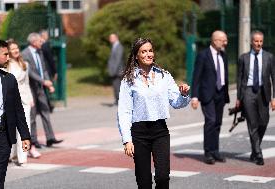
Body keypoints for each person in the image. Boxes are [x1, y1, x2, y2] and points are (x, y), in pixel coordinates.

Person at [118, 38, 190, 189]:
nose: (148, 54)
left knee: (163, 178)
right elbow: (124, 111)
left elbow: (176, 103)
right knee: (144, 183)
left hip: (160, 132)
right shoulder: (128, 80)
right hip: (139, 134)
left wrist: (183, 95)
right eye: (143, 51)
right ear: (136, 55)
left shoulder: (164, 76)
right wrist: (127, 140)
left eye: (150, 50)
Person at [0, 39, 31, 188]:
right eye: (5, 54)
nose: (8, 57)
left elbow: (17, 110)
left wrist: (25, 136)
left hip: (2, 136)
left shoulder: (9, 79)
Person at [236, 30, 275, 166]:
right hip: (248, 92)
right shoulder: (243, 58)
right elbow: (240, 78)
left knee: (263, 122)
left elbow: (274, 78)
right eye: (256, 41)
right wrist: (238, 98)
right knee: (252, 123)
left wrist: (274, 98)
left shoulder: (269, 57)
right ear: (251, 42)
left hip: (264, 93)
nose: (258, 43)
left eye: (260, 41)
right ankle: (258, 154)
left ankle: (254, 150)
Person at [191, 30, 230, 165]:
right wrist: (194, 97)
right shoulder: (203, 56)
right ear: (215, 41)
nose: (226, 42)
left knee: (218, 123)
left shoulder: (223, 55)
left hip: (221, 94)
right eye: (223, 40)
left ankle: (215, 151)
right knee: (211, 121)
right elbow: (196, 77)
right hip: (207, 95)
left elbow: (224, 75)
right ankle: (208, 152)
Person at [22, 33, 63, 148]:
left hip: (40, 87)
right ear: (34, 42)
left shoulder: (40, 52)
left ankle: (50, 138)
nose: (42, 43)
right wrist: (43, 81)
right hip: (31, 88)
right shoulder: (25, 54)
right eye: (40, 41)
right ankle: (33, 140)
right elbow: (30, 72)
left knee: (45, 111)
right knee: (33, 115)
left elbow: (43, 69)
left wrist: (48, 83)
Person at [7, 40, 41, 163]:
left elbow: (26, 83)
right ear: (8, 52)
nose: (15, 50)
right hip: (10, 101)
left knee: (24, 129)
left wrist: (30, 99)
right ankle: (12, 154)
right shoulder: (6, 65)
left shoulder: (24, 64)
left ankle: (22, 158)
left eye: (17, 48)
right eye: (12, 49)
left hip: (25, 100)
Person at [40, 29, 57, 112]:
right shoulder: (45, 45)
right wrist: (55, 71)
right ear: (43, 35)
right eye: (46, 35)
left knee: (43, 88)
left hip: (41, 70)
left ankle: (48, 104)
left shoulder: (40, 45)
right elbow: (50, 59)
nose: (48, 36)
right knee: (48, 88)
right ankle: (49, 105)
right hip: (47, 70)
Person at [108, 33, 124, 105]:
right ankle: (117, 100)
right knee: (115, 86)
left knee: (118, 86)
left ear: (116, 38)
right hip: (115, 70)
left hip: (118, 71)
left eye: (112, 37)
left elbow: (118, 60)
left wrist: (113, 71)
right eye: (110, 38)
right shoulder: (114, 46)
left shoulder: (119, 46)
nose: (110, 39)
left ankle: (119, 101)